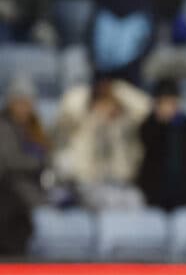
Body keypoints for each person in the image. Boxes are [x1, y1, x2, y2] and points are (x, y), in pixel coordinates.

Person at [53, 77, 151, 211]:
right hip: (88, 184)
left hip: (121, 184)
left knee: (136, 201)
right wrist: (91, 90)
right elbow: (69, 106)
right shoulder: (82, 123)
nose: (107, 109)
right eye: (103, 103)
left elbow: (146, 109)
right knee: (107, 204)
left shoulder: (124, 125)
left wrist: (117, 88)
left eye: (110, 104)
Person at [137, 78, 186, 211]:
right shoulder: (148, 125)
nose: (169, 107)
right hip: (156, 192)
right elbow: (147, 152)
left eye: (172, 102)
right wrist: (161, 123)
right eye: (164, 102)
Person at [0, 76, 47, 256]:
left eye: (28, 102)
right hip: (9, 194)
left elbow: (47, 152)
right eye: (20, 102)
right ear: (11, 103)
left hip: (30, 193)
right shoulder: (3, 126)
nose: (24, 107)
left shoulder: (34, 127)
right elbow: (9, 160)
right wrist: (38, 162)